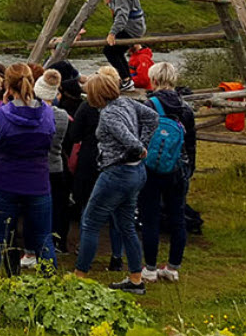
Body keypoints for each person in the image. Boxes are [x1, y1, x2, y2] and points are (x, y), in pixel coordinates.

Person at [73, 72, 159, 294]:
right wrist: (143, 143)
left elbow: (128, 140)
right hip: (135, 173)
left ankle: (79, 276)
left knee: (90, 221)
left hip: (116, 173)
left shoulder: (109, 115)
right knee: (126, 225)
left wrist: (139, 148)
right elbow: (152, 117)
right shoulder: (126, 101)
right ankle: (135, 279)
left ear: (95, 94)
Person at [0, 64, 58, 289]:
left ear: (7, 85)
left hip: (4, 181)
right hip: (38, 182)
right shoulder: (47, 114)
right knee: (44, 237)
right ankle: (50, 288)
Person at [138, 62, 196, 283]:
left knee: (150, 217)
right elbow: (191, 143)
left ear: (153, 80)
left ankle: (150, 268)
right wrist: (189, 168)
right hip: (178, 168)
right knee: (177, 217)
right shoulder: (186, 109)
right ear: (174, 79)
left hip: (151, 168)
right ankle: (172, 267)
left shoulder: (148, 106)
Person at [66, 65, 125, 270]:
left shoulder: (87, 107)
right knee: (116, 210)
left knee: (87, 208)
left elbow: (74, 135)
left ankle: (84, 252)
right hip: (115, 160)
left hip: (90, 160)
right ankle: (117, 256)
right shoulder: (123, 106)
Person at [35, 70, 73, 254]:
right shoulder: (63, 116)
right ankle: (59, 242)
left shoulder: (33, 113)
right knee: (59, 207)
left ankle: (37, 242)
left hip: (38, 167)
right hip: (56, 165)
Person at [96, 0, 146, 90]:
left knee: (110, 51)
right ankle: (127, 79)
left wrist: (113, 33)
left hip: (131, 27)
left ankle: (126, 80)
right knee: (117, 52)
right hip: (136, 25)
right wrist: (110, 3)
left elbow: (122, 15)